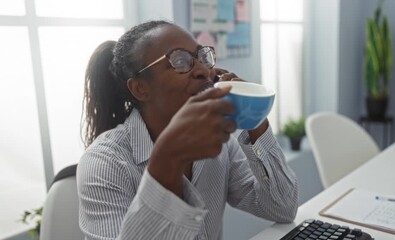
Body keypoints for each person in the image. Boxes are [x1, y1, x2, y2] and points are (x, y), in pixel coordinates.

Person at [78, 20, 298, 240]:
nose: (203, 70)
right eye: (180, 61)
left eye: (203, 57)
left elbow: (282, 209)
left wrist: (253, 115)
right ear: (140, 88)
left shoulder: (219, 143)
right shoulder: (104, 163)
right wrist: (167, 162)